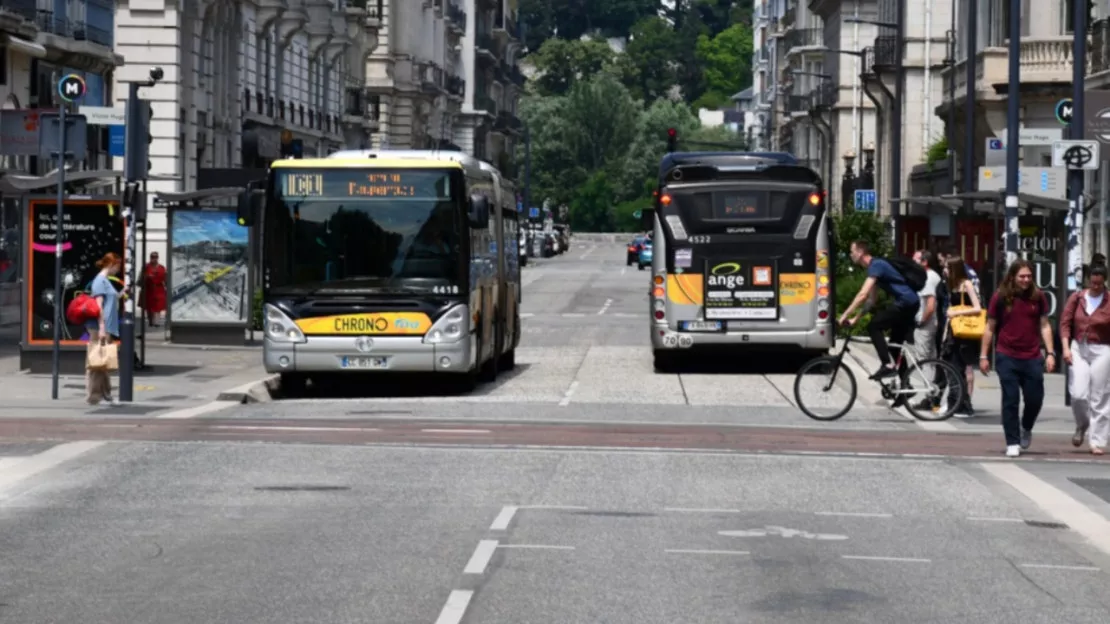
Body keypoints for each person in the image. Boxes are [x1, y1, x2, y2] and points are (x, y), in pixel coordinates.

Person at [979, 260, 1056, 458]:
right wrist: (983, 355)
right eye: (1022, 276)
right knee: (1010, 400)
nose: (1026, 280)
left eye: (1029, 276)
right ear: (1013, 276)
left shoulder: (1038, 296)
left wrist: (1050, 353)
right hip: (1007, 356)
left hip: (1032, 356)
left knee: (1035, 399)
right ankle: (1012, 441)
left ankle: (1026, 426)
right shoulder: (1000, 297)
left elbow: (1045, 325)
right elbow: (990, 327)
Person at [839, 240, 920, 380]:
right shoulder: (875, 267)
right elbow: (871, 300)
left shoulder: (876, 265)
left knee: (873, 326)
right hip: (910, 303)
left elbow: (862, 294)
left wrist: (844, 315)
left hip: (906, 302)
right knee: (895, 346)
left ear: (860, 252)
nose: (850, 255)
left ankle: (886, 365)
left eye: (852, 252)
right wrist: (855, 319)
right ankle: (906, 386)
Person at [1060, 264, 1110, 455]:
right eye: (1093, 282)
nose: (1095, 286)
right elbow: (1065, 323)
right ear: (1088, 280)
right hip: (1078, 347)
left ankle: (1096, 441)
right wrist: (1065, 348)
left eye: (1099, 283)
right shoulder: (1077, 298)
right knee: (1078, 394)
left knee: (1100, 397)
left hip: (1102, 348)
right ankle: (1082, 424)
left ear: (1104, 280)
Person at [944, 256, 983, 417]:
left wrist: (956, 312)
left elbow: (977, 308)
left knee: (959, 367)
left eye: (947, 267)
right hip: (954, 331)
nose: (944, 270)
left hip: (966, 332)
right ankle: (955, 403)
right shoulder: (951, 286)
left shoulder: (967, 284)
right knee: (951, 366)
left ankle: (964, 405)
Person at [85, 252, 123, 406]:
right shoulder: (100, 281)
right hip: (100, 326)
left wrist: (121, 294)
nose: (118, 270)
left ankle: (106, 394)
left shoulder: (105, 281)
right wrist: (102, 327)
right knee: (97, 363)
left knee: (103, 361)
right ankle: (95, 396)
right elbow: (99, 306)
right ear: (112, 264)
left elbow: (110, 301)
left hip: (107, 326)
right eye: (118, 266)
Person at [911, 250, 943, 408]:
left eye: (915, 259)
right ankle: (931, 397)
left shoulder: (928, 278)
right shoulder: (933, 276)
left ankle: (929, 396)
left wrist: (921, 321)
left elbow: (930, 306)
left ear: (924, 262)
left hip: (925, 324)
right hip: (930, 323)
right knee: (929, 359)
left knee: (925, 360)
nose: (912, 261)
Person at [141, 252, 167, 327]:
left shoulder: (162, 267)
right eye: (152, 257)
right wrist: (147, 277)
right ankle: (151, 321)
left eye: (155, 257)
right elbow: (142, 277)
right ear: (150, 257)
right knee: (149, 306)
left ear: (157, 258)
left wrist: (166, 285)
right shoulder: (146, 267)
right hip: (149, 289)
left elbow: (164, 278)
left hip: (159, 288)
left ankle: (157, 322)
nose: (154, 259)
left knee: (158, 306)